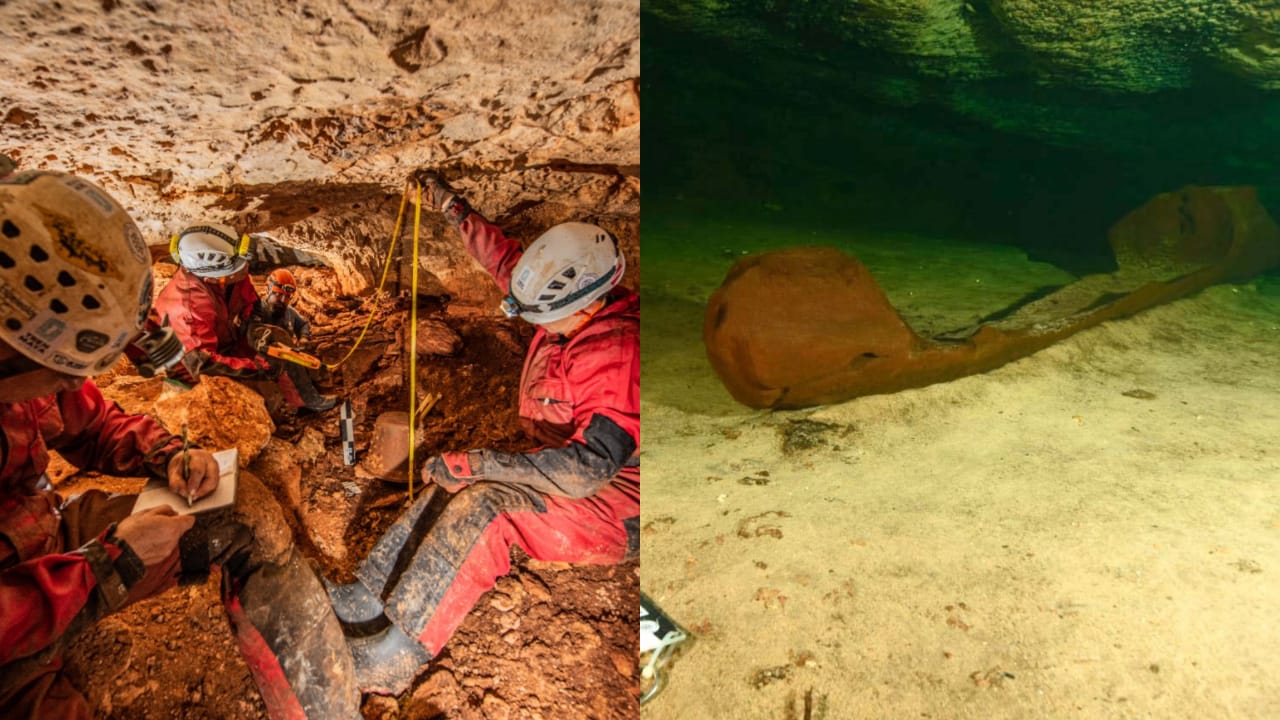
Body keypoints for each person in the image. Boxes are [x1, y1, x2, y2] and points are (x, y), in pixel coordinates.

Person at [0, 170, 358, 719]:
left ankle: (325, 707)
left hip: (41, 537)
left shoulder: (33, 361)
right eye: (60, 372)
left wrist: (168, 454)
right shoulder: (187, 306)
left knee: (245, 511)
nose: (76, 384)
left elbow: (92, 425)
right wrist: (108, 563)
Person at [326, 172, 640, 695]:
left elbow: (587, 469)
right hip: (569, 468)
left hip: (617, 504)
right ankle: (366, 597)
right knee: (454, 483)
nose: (539, 325)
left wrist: (479, 464)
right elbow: (504, 263)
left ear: (586, 304)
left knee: (486, 507)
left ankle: (394, 655)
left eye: (548, 319)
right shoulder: (570, 299)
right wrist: (453, 207)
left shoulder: (617, 354)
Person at [149, 225, 336, 412]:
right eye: (236, 267)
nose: (243, 269)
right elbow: (202, 364)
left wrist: (253, 327)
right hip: (196, 370)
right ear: (212, 278)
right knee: (255, 397)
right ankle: (273, 411)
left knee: (277, 341)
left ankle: (302, 401)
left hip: (225, 343)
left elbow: (250, 301)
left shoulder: (226, 275)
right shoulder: (187, 308)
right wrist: (256, 367)